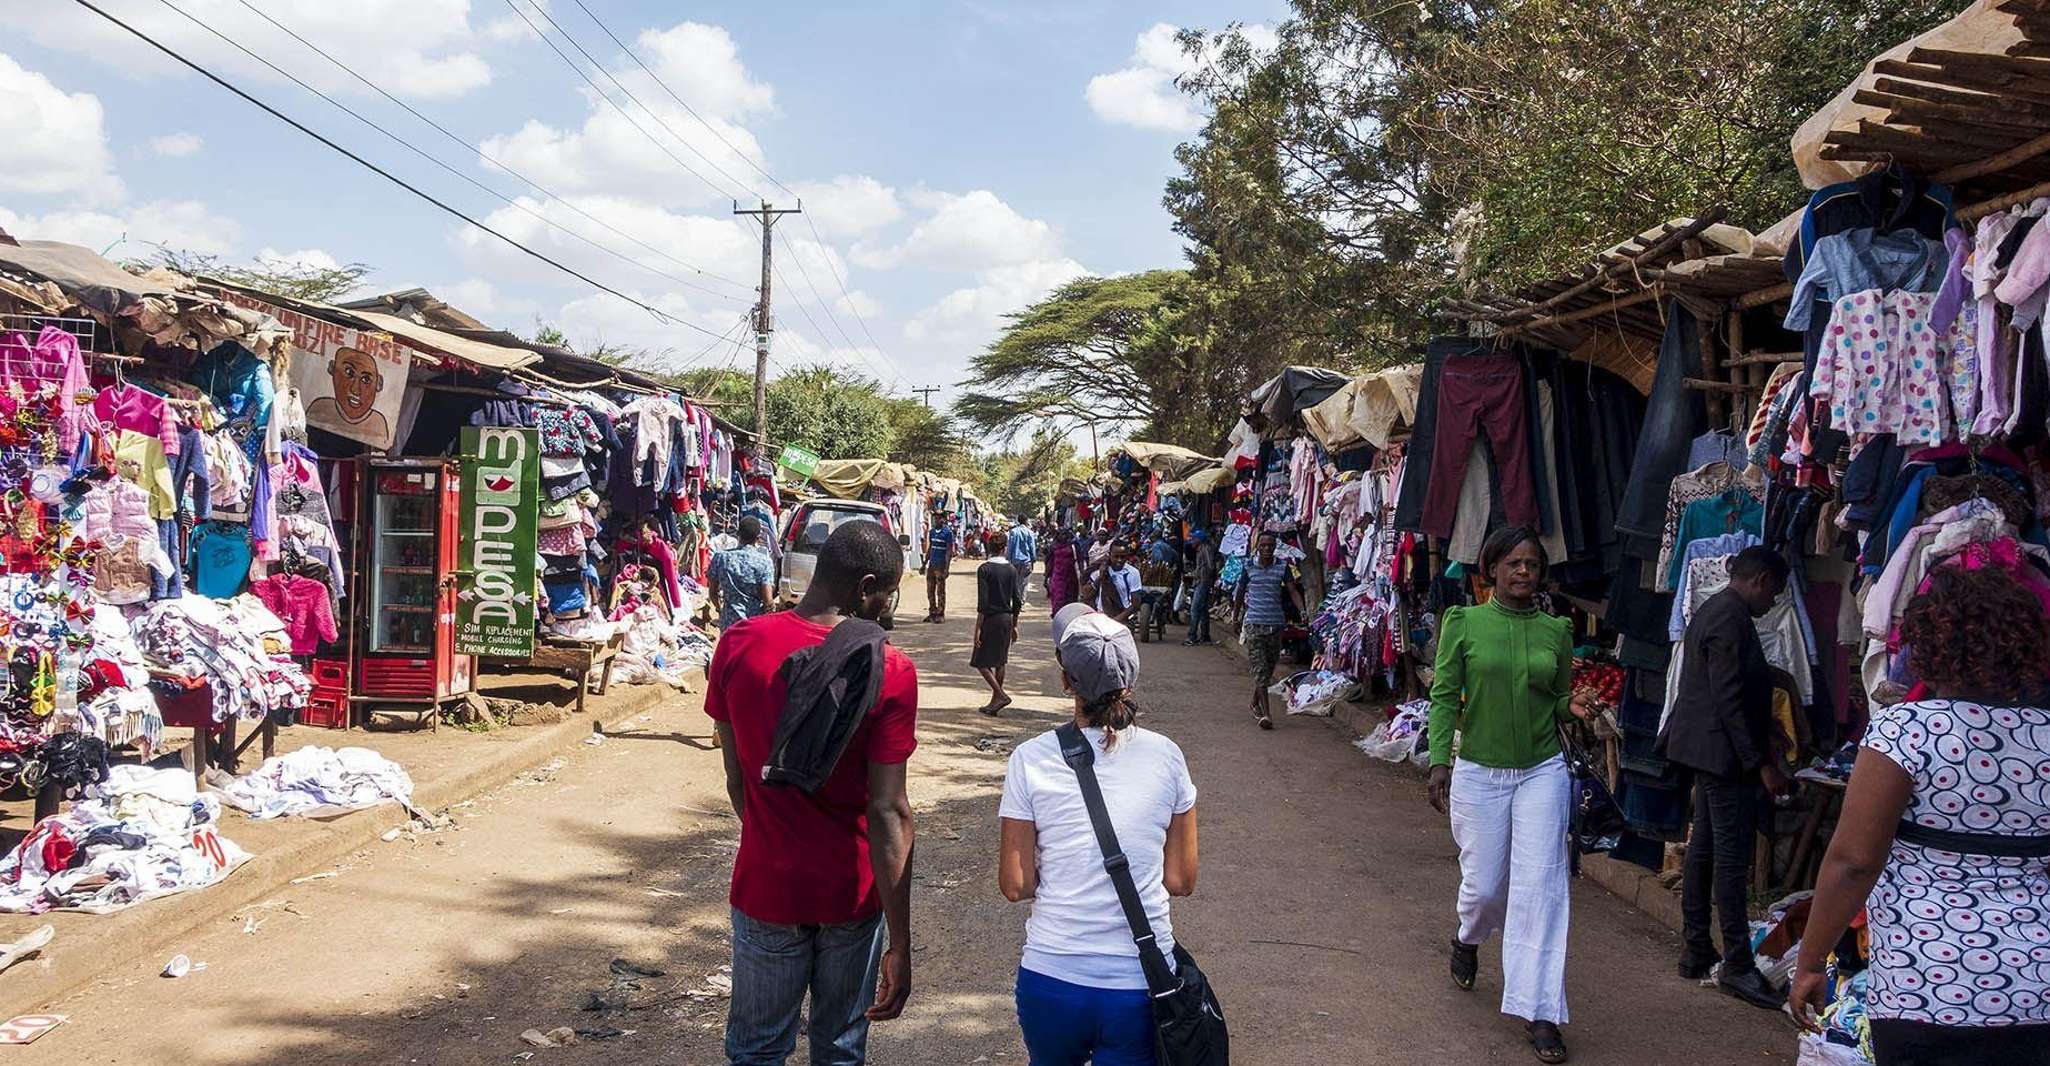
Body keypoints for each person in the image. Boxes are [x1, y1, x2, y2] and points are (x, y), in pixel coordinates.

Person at [1791, 566, 2050, 1064]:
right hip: (2036, 989)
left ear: (1928, 644)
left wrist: (1809, 962)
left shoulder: (1906, 730)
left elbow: (1853, 863)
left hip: (1926, 985)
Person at [704, 519, 918, 1065]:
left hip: (766, 887)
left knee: (756, 1051)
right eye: (888, 593)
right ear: (866, 587)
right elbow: (888, 811)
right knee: (840, 1049)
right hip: (850, 895)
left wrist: (774, 841)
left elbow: (737, 777)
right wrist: (901, 941)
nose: (887, 605)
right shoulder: (890, 668)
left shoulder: (739, 644)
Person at [999, 603, 1199, 1066]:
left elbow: (1016, 885)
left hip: (1053, 979)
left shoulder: (1030, 759)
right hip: (1140, 986)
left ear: (1066, 679)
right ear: (1130, 679)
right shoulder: (1167, 757)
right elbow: (1181, 880)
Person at [1426, 526, 1591, 1065]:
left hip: (1542, 770)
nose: (1524, 572)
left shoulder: (1556, 630)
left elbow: (1560, 699)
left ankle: (1540, 1011)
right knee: (1486, 888)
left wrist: (1577, 708)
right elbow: (1446, 694)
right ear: (1490, 570)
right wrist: (1437, 763)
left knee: (1540, 887)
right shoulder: (1465, 623)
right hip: (1479, 771)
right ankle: (1467, 937)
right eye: (1514, 563)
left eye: (1533, 565)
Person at [1656, 546, 1792, 1010]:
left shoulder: (1717, 611)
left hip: (1709, 749)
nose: (1774, 601)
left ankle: (1697, 948)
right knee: (1730, 859)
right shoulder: (1730, 619)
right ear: (1760, 580)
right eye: (1774, 590)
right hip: (1722, 755)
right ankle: (1736, 962)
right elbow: (1729, 698)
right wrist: (1763, 765)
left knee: (1706, 850)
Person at [1234, 532, 1303, 731]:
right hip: (1254, 624)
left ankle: (1254, 702)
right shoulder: (1248, 566)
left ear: (1274, 547)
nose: (1266, 549)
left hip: (1275, 624)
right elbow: (1240, 592)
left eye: (1270, 546)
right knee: (1259, 670)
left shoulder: (1283, 567)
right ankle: (1266, 714)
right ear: (1257, 547)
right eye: (1263, 545)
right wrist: (1235, 616)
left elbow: (1292, 591)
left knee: (1269, 668)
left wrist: (1303, 611)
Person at [974, 551, 1024, 716]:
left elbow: (983, 602)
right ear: (1004, 549)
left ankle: (1000, 695)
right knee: (1000, 661)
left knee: (980, 661)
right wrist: (1015, 624)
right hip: (1006, 619)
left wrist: (978, 628)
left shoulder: (984, 569)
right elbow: (1017, 599)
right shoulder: (1011, 569)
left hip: (990, 619)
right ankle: (995, 701)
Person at [707, 515, 776, 630]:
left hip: (729, 624)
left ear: (738, 535)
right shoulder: (764, 562)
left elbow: (712, 592)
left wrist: (720, 610)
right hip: (753, 626)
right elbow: (768, 601)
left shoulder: (721, 558)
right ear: (758, 538)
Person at [1184, 528, 1219, 647]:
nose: (1192, 541)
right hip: (1201, 581)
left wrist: (1209, 581)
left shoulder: (1205, 550)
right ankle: (1205, 636)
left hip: (1203, 582)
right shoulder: (1200, 550)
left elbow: (1210, 566)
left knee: (1195, 609)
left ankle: (1192, 636)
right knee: (1203, 610)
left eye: (1194, 539)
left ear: (1200, 540)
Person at [922, 507, 957, 623]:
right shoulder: (932, 532)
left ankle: (940, 613)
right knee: (930, 590)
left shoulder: (947, 533)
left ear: (943, 519)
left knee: (940, 591)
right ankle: (932, 612)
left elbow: (948, 551)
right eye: (935, 518)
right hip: (932, 565)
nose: (936, 520)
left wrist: (947, 568)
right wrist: (924, 564)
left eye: (938, 518)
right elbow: (930, 548)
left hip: (941, 565)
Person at [1096, 543, 1142, 625]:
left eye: (1122, 557)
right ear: (1109, 555)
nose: (1119, 560)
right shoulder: (1103, 570)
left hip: (1124, 616)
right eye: (1116, 556)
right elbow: (1087, 593)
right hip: (1102, 615)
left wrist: (1115, 620)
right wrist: (1100, 577)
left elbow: (1136, 604)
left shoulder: (1133, 573)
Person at [1045, 528, 1081, 615]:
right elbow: (1050, 561)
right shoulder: (1054, 546)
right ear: (1058, 535)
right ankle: (1057, 616)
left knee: (1070, 599)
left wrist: (1081, 573)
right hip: (1057, 577)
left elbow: (1079, 559)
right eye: (1061, 534)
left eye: (1065, 534)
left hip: (1071, 577)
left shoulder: (1073, 545)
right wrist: (1046, 578)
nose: (1063, 536)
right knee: (1058, 598)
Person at [1007, 515, 1039, 606]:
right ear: (1026, 521)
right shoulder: (1029, 533)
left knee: (1014, 582)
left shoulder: (1013, 532)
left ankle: (1014, 601)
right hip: (1026, 561)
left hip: (1015, 561)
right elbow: (1032, 547)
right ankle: (1021, 602)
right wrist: (1033, 559)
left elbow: (1010, 547)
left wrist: (1008, 559)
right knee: (1024, 583)